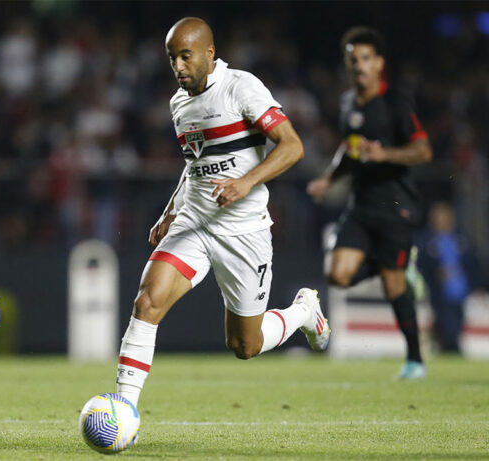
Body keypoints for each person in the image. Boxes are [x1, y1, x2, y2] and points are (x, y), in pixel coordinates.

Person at [114, 17, 330, 409]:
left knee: (244, 345)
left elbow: (292, 146)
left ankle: (302, 311)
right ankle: (123, 409)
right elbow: (195, 164)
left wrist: (246, 182)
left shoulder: (241, 88)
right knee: (147, 302)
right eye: (171, 58)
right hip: (194, 222)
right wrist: (169, 212)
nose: (178, 66)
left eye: (185, 56)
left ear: (209, 54)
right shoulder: (178, 103)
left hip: (243, 231)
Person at [306, 26, 433, 379]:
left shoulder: (397, 102)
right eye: (352, 61)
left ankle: (414, 361)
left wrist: (385, 153)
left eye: (365, 59)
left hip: (396, 205)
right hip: (361, 205)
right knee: (337, 274)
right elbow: (350, 149)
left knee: (394, 286)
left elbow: (423, 150)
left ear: (378, 63)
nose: (358, 66)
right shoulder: (348, 103)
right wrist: (330, 179)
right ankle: (397, 263)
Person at [417, 201, 482, 353]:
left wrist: (477, 285)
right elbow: (421, 264)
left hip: (460, 289)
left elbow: (473, 263)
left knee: (456, 321)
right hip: (438, 290)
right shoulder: (426, 240)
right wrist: (435, 274)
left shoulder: (461, 238)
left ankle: (447, 347)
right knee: (446, 322)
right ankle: (452, 348)